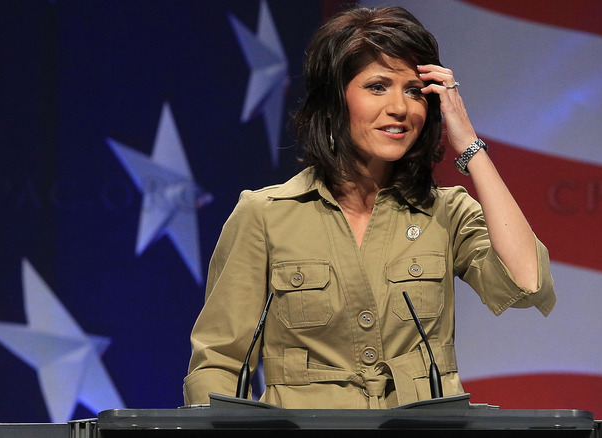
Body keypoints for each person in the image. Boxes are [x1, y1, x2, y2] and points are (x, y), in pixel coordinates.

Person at [183, 6, 555, 409]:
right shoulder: (264, 214)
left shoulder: (446, 212)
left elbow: (526, 283)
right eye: (378, 86)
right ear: (334, 99)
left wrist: (469, 146)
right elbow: (219, 362)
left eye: (414, 90)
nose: (400, 107)